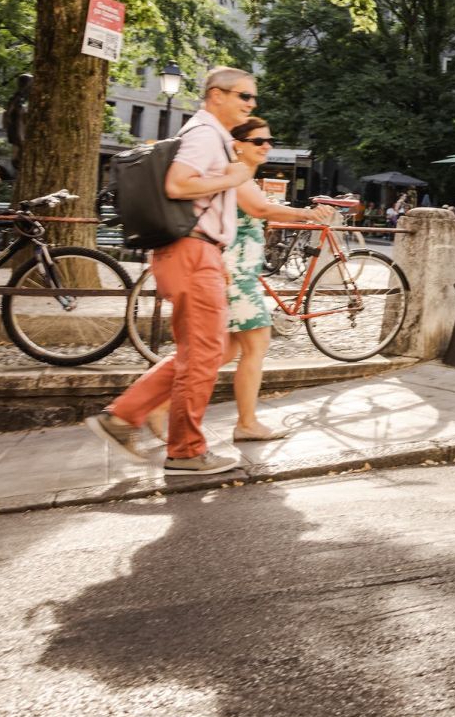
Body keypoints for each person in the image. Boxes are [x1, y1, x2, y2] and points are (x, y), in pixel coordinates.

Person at [84, 67, 258, 476]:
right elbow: (179, 185)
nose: (251, 105)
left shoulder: (207, 133)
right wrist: (232, 175)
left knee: (201, 351)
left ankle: (121, 417)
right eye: (244, 96)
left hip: (194, 252)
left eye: (252, 99)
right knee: (204, 355)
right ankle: (186, 451)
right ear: (216, 94)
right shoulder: (205, 134)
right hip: (192, 252)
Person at [143, 119, 336, 446]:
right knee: (256, 344)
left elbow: (254, 213)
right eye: (258, 140)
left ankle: (159, 406)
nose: (266, 146)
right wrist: (308, 215)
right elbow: (258, 208)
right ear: (238, 144)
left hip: (237, 271)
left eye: (269, 140)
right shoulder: (234, 171)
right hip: (233, 273)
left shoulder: (239, 173)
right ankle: (246, 423)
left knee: (224, 350)